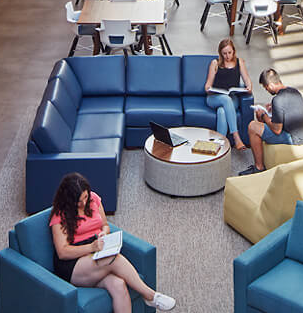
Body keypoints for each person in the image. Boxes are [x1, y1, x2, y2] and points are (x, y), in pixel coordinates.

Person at [49, 173, 176, 312]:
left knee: (118, 285)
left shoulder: (94, 199)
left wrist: (104, 232)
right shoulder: (60, 214)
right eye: (79, 201)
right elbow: (62, 252)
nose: (84, 203)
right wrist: (91, 247)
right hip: (73, 263)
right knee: (111, 258)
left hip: (95, 250)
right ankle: (150, 295)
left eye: (86, 197)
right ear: (68, 199)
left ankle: (149, 297)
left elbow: (105, 225)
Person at [240, 69, 303, 175]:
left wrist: (263, 116)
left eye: (266, 87)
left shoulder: (278, 100)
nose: (267, 90)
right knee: (261, 123)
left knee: (253, 126)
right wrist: (273, 110)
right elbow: (288, 110)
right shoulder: (294, 91)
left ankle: (259, 168)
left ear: (271, 85)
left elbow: (277, 130)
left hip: (295, 140)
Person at [204, 38, 253, 150]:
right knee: (225, 99)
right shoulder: (215, 63)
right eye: (224, 53)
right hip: (214, 98)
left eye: (229, 53)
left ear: (234, 51)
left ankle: (219, 145)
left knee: (222, 111)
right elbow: (207, 86)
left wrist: (249, 87)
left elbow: (247, 80)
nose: (227, 56)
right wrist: (209, 89)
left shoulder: (239, 62)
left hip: (232, 99)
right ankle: (236, 137)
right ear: (220, 53)